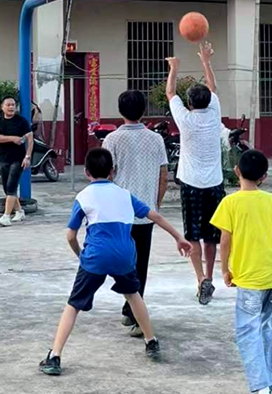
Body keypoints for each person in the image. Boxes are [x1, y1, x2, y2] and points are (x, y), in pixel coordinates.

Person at [39, 148, 192, 376]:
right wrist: (179, 237)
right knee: (133, 295)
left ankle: (55, 356)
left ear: (86, 172)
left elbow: (70, 235)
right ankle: (151, 341)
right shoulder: (124, 195)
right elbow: (155, 216)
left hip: (96, 257)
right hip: (124, 256)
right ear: (112, 171)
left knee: (73, 305)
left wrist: (81, 255)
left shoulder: (83, 197)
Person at [211, 149, 272, 394]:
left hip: (249, 279)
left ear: (236, 171)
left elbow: (224, 241)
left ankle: (261, 390)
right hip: (271, 277)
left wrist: (224, 270)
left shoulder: (230, 203)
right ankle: (270, 380)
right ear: (264, 177)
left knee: (247, 333)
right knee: (267, 328)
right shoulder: (269, 200)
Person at [102, 89, 169, 337]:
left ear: (120, 110)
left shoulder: (112, 140)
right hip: (146, 213)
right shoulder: (156, 139)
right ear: (144, 110)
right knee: (141, 264)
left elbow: (106, 177)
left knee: (121, 261)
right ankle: (132, 309)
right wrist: (155, 205)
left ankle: (131, 310)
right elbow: (163, 176)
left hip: (119, 214)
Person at [165, 41, 224, 305]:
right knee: (212, 236)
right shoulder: (214, 113)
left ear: (189, 103)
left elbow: (169, 92)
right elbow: (213, 87)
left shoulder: (186, 119)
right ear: (209, 101)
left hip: (191, 184)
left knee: (193, 235)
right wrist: (205, 61)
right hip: (215, 184)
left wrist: (174, 68)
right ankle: (209, 276)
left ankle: (200, 279)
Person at [0, 96, 34, 227]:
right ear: (2, 107)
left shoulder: (22, 121)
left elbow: (30, 139)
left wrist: (27, 157)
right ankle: (19, 211)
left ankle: (6, 216)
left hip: (18, 158)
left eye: (13, 105)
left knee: (11, 186)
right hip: (4, 158)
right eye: (8, 105)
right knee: (7, 188)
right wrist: (13, 138)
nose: (11, 107)